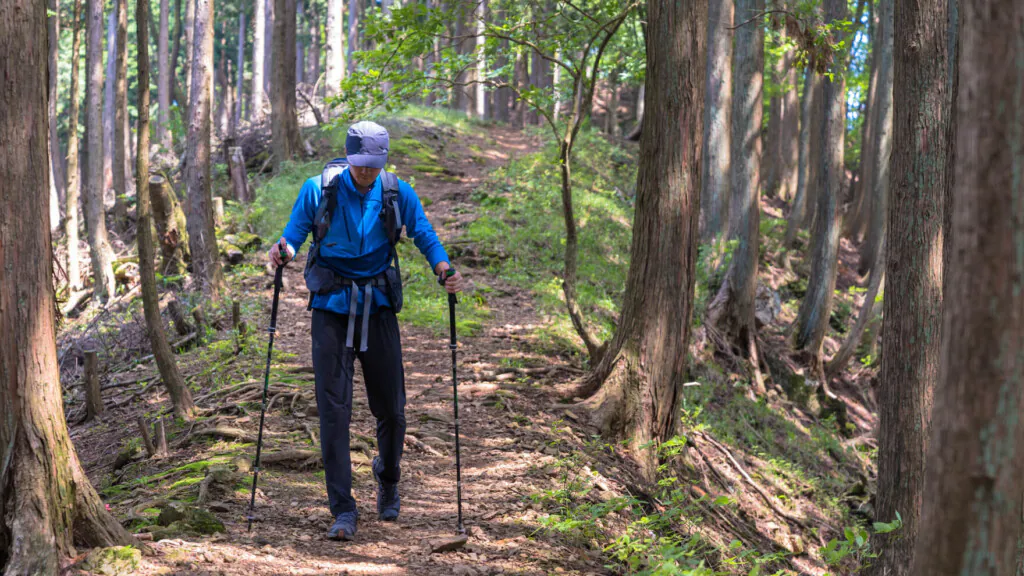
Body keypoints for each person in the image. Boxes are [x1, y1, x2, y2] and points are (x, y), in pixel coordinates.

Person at [268, 120, 463, 541]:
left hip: (377, 308)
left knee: (392, 409)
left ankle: (387, 475)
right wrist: (283, 251)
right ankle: (343, 509)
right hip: (330, 310)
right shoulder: (319, 189)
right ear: (350, 159)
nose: (367, 173)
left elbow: (424, 234)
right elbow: (294, 234)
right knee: (334, 412)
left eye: (374, 166)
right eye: (361, 166)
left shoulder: (395, 192)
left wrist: (442, 266)